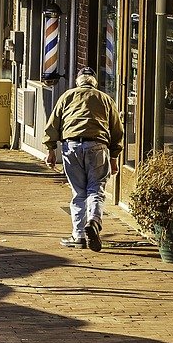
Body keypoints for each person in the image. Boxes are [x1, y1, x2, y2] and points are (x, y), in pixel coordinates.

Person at [43, 66, 124, 251]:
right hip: (97, 146)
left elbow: (53, 124)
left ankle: (78, 236)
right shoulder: (106, 99)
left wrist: (50, 150)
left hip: (71, 146)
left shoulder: (67, 96)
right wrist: (114, 157)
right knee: (96, 189)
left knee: (79, 192)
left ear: (77, 81)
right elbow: (117, 131)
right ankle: (94, 222)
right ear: (94, 83)